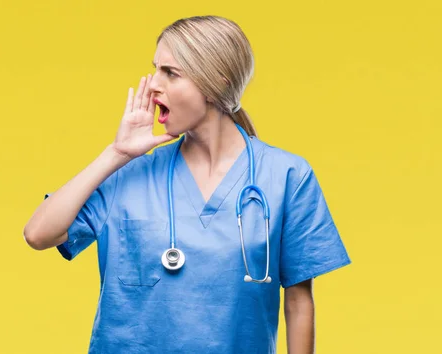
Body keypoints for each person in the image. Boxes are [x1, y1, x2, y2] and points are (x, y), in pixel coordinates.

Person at [23, 15, 351, 354]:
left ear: (216, 83)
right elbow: (38, 234)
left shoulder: (286, 176)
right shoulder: (129, 173)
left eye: (170, 72)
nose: (152, 85)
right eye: (155, 69)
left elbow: (299, 302)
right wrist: (116, 153)